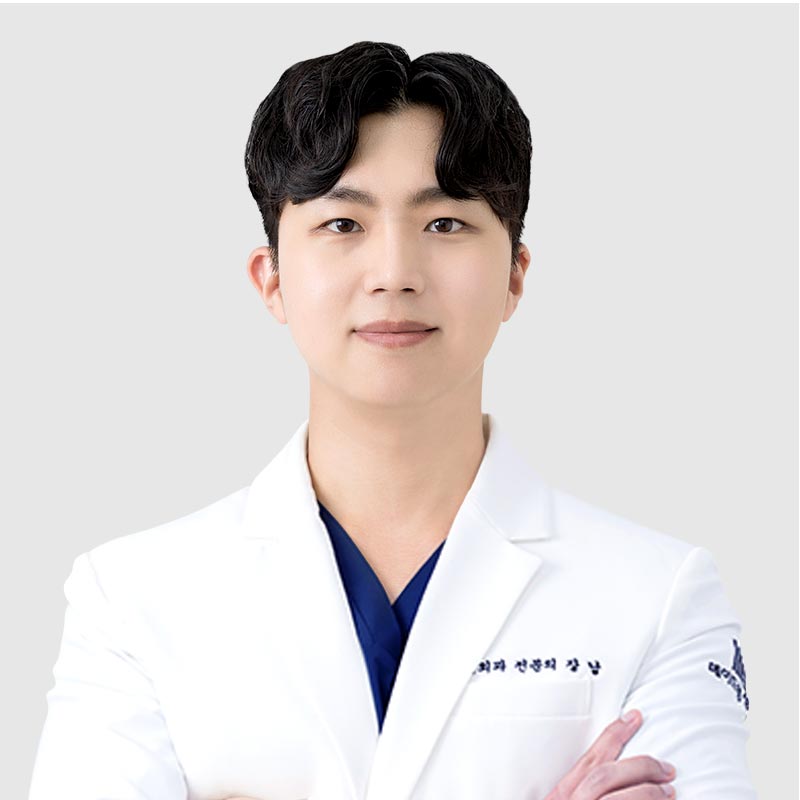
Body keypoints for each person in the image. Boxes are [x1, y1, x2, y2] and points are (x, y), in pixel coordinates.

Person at [29, 41, 757, 799]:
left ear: (514, 276)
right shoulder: (131, 599)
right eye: (343, 224)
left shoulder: (658, 596)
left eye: (444, 223)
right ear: (272, 280)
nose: (394, 274)